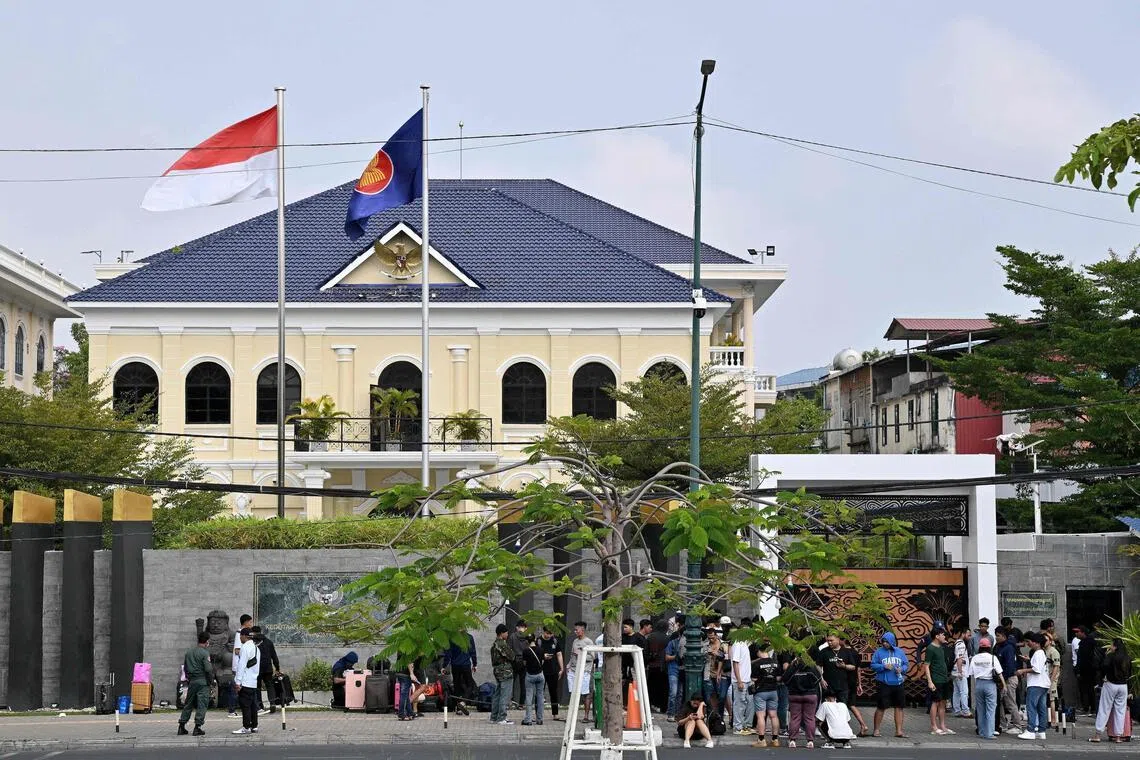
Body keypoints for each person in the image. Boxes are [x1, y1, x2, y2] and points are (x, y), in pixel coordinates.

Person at [1089, 637, 1131, 744]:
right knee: (1120, 711)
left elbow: (1103, 667)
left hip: (1111, 684)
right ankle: (1118, 737)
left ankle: (1098, 734)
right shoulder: (1127, 657)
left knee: (1104, 709)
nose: (1111, 647)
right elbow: (1129, 673)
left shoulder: (1111, 656)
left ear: (1115, 646)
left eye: (1112, 645)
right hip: (1123, 686)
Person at [869, 632, 908, 738]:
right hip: (884, 683)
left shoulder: (900, 652)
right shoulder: (878, 652)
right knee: (881, 706)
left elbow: (905, 664)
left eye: (887, 642)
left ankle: (899, 731)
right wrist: (883, 666)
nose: (885, 644)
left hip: (898, 682)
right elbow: (872, 665)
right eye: (883, 642)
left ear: (892, 642)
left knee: (899, 707)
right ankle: (876, 730)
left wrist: (902, 669)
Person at [967, 636, 1004, 740]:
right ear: (989, 647)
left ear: (980, 647)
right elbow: (999, 673)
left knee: (981, 709)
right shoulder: (993, 657)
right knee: (991, 709)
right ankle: (989, 733)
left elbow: (971, 674)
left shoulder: (975, 658)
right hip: (990, 684)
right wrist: (1004, 685)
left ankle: (982, 731)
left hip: (979, 684)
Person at [177, 632, 211, 737]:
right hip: (202, 681)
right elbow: (208, 669)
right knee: (202, 704)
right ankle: (197, 727)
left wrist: (189, 679)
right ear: (207, 642)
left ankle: (182, 726)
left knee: (188, 704)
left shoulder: (189, 652)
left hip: (192, 681)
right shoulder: (205, 653)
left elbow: (186, 668)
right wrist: (210, 681)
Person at [1016, 632, 1050, 740]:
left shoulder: (1038, 653)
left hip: (1036, 684)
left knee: (1031, 707)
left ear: (1036, 643)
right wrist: (1028, 661)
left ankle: (1030, 730)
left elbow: (1036, 670)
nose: (1028, 644)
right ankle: (1041, 731)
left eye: (1029, 642)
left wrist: (1022, 670)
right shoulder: (1041, 653)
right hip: (1043, 684)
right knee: (1041, 708)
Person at [784, 656, 822, 748]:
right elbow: (818, 678)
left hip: (794, 695)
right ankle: (810, 741)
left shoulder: (792, 667)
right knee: (809, 718)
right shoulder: (811, 667)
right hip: (810, 694)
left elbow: (785, 679)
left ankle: (793, 740)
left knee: (794, 718)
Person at [749, 641, 781, 748]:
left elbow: (753, 678)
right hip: (773, 691)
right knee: (774, 715)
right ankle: (775, 739)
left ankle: (761, 740)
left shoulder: (757, 663)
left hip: (761, 691)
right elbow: (778, 678)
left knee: (761, 716)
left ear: (760, 651)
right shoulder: (775, 662)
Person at [231, 627, 260, 735]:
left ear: (244, 636)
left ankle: (246, 727)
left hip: (245, 681)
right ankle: (254, 726)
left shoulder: (245, 648)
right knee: (253, 705)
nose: (240, 638)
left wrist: (238, 682)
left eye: (240, 636)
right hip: (253, 681)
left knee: (245, 705)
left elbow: (241, 666)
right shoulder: (257, 649)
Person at [994, 627, 1022, 734]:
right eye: (996, 635)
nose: (996, 637)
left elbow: (1009, 667)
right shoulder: (997, 647)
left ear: (1004, 636)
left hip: (1009, 679)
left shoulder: (1009, 648)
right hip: (1001, 679)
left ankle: (1017, 725)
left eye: (998, 635)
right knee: (999, 702)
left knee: (1010, 703)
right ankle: (1002, 724)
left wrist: (1003, 681)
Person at [924, 627, 953, 735]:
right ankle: (934, 726)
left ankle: (943, 726)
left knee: (943, 702)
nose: (944, 636)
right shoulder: (930, 648)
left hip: (944, 679)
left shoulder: (941, 647)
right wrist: (930, 681)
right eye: (942, 634)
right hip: (936, 679)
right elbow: (926, 665)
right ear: (937, 636)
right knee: (935, 702)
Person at [840, 636, 870, 736]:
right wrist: (859, 684)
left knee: (843, 705)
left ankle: (847, 728)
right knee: (852, 705)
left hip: (844, 682)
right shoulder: (855, 652)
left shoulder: (842, 652)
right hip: (853, 681)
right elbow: (858, 669)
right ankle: (863, 725)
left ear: (843, 641)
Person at [442, 631, 478, 714]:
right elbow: (472, 651)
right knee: (470, 685)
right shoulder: (469, 637)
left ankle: (458, 709)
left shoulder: (452, 638)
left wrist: (444, 666)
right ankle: (463, 702)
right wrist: (475, 664)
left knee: (457, 686)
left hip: (455, 665)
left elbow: (448, 654)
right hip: (466, 665)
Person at [729, 629, 753, 735]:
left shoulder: (744, 644)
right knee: (739, 704)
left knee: (749, 703)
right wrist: (739, 681)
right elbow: (735, 663)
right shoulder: (738, 644)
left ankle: (746, 725)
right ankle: (738, 727)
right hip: (740, 680)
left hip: (747, 679)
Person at [566, 621, 594, 717]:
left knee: (585, 693)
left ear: (582, 630)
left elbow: (593, 657)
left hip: (584, 671)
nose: (575, 632)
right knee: (572, 692)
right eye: (575, 630)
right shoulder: (575, 641)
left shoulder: (589, 642)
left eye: (576, 630)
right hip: (573, 670)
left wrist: (582, 655)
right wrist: (569, 665)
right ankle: (572, 715)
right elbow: (572, 654)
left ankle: (586, 715)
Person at [491, 623, 516, 725]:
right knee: (504, 695)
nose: (507, 634)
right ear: (501, 633)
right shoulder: (502, 644)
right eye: (506, 632)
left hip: (497, 671)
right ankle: (502, 718)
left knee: (497, 694)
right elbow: (512, 656)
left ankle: (494, 717)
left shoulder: (494, 644)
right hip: (505, 672)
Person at [250, 626, 280, 715]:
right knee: (270, 686)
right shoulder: (269, 642)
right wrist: (277, 668)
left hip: (257, 669)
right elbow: (274, 656)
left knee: (257, 687)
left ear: (254, 633)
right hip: (268, 668)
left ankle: (260, 706)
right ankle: (272, 703)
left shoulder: (253, 642)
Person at [538, 626, 564, 721]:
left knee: (554, 692)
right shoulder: (539, 641)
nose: (549, 635)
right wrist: (543, 656)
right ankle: (539, 714)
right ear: (543, 631)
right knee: (539, 692)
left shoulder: (555, 641)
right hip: (541, 671)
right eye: (547, 633)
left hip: (553, 670)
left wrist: (562, 668)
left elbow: (559, 654)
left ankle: (555, 714)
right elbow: (535, 654)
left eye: (551, 633)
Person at [1073, 626, 1100, 715]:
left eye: (1078, 632)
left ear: (1083, 632)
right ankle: (1091, 708)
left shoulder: (1085, 643)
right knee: (1090, 689)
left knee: (1085, 689)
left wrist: (1078, 670)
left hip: (1087, 670)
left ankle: (1087, 708)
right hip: (1092, 670)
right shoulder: (1091, 642)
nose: (1076, 634)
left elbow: (1082, 659)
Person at [701, 626, 727, 718]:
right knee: (708, 697)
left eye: (712, 637)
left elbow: (726, 657)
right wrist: (707, 652)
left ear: (716, 635)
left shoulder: (723, 644)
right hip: (708, 673)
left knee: (721, 696)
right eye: (709, 638)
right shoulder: (705, 644)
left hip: (720, 674)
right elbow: (701, 654)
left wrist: (718, 654)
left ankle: (719, 715)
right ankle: (711, 715)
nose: (711, 639)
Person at [521, 634, 546, 725]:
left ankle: (528, 719)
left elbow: (524, 663)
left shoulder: (525, 651)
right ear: (535, 639)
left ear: (527, 641)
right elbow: (542, 662)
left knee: (529, 697)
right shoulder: (541, 649)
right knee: (540, 696)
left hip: (530, 676)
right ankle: (540, 719)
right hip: (540, 675)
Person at [646, 619, 670, 714]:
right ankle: (662, 706)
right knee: (663, 688)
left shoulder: (651, 636)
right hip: (664, 666)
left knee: (651, 686)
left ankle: (651, 704)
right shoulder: (667, 638)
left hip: (652, 665)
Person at [664, 615, 684, 722]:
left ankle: (677, 713)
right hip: (673, 668)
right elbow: (667, 657)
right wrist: (676, 656)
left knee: (679, 693)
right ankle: (671, 713)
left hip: (681, 669)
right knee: (673, 692)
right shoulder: (673, 642)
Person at [507, 620, 529, 708]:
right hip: (524, 662)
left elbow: (509, 650)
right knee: (523, 684)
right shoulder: (528, 637)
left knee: (511, 682)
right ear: (525, 628)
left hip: (514, 662)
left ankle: (510, 702)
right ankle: (521, 704)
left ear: (517, 627)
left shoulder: (512, 636)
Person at [952, 627, 972, 718]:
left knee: (956, 692)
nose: (970, 636)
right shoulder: (961, 645)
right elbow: (959, 659)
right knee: (964, 692)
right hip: (961, 671)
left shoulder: (956, 643)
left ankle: (957, 710)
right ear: (963, 634)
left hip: (955, 671)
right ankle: (965, 711)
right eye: (969, 634)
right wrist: (960, 672)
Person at [1042, 632, 1061, 727]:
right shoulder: (1043, 651)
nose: (1044, 642)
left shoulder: (1053, 652)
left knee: (1052, 699)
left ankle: (1054, 720)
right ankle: (1047, 719)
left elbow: (1056, 667)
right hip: (1044, 678)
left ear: (1050, 641)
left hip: (1051, 679)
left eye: (1046, 640)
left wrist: (1051, 680)